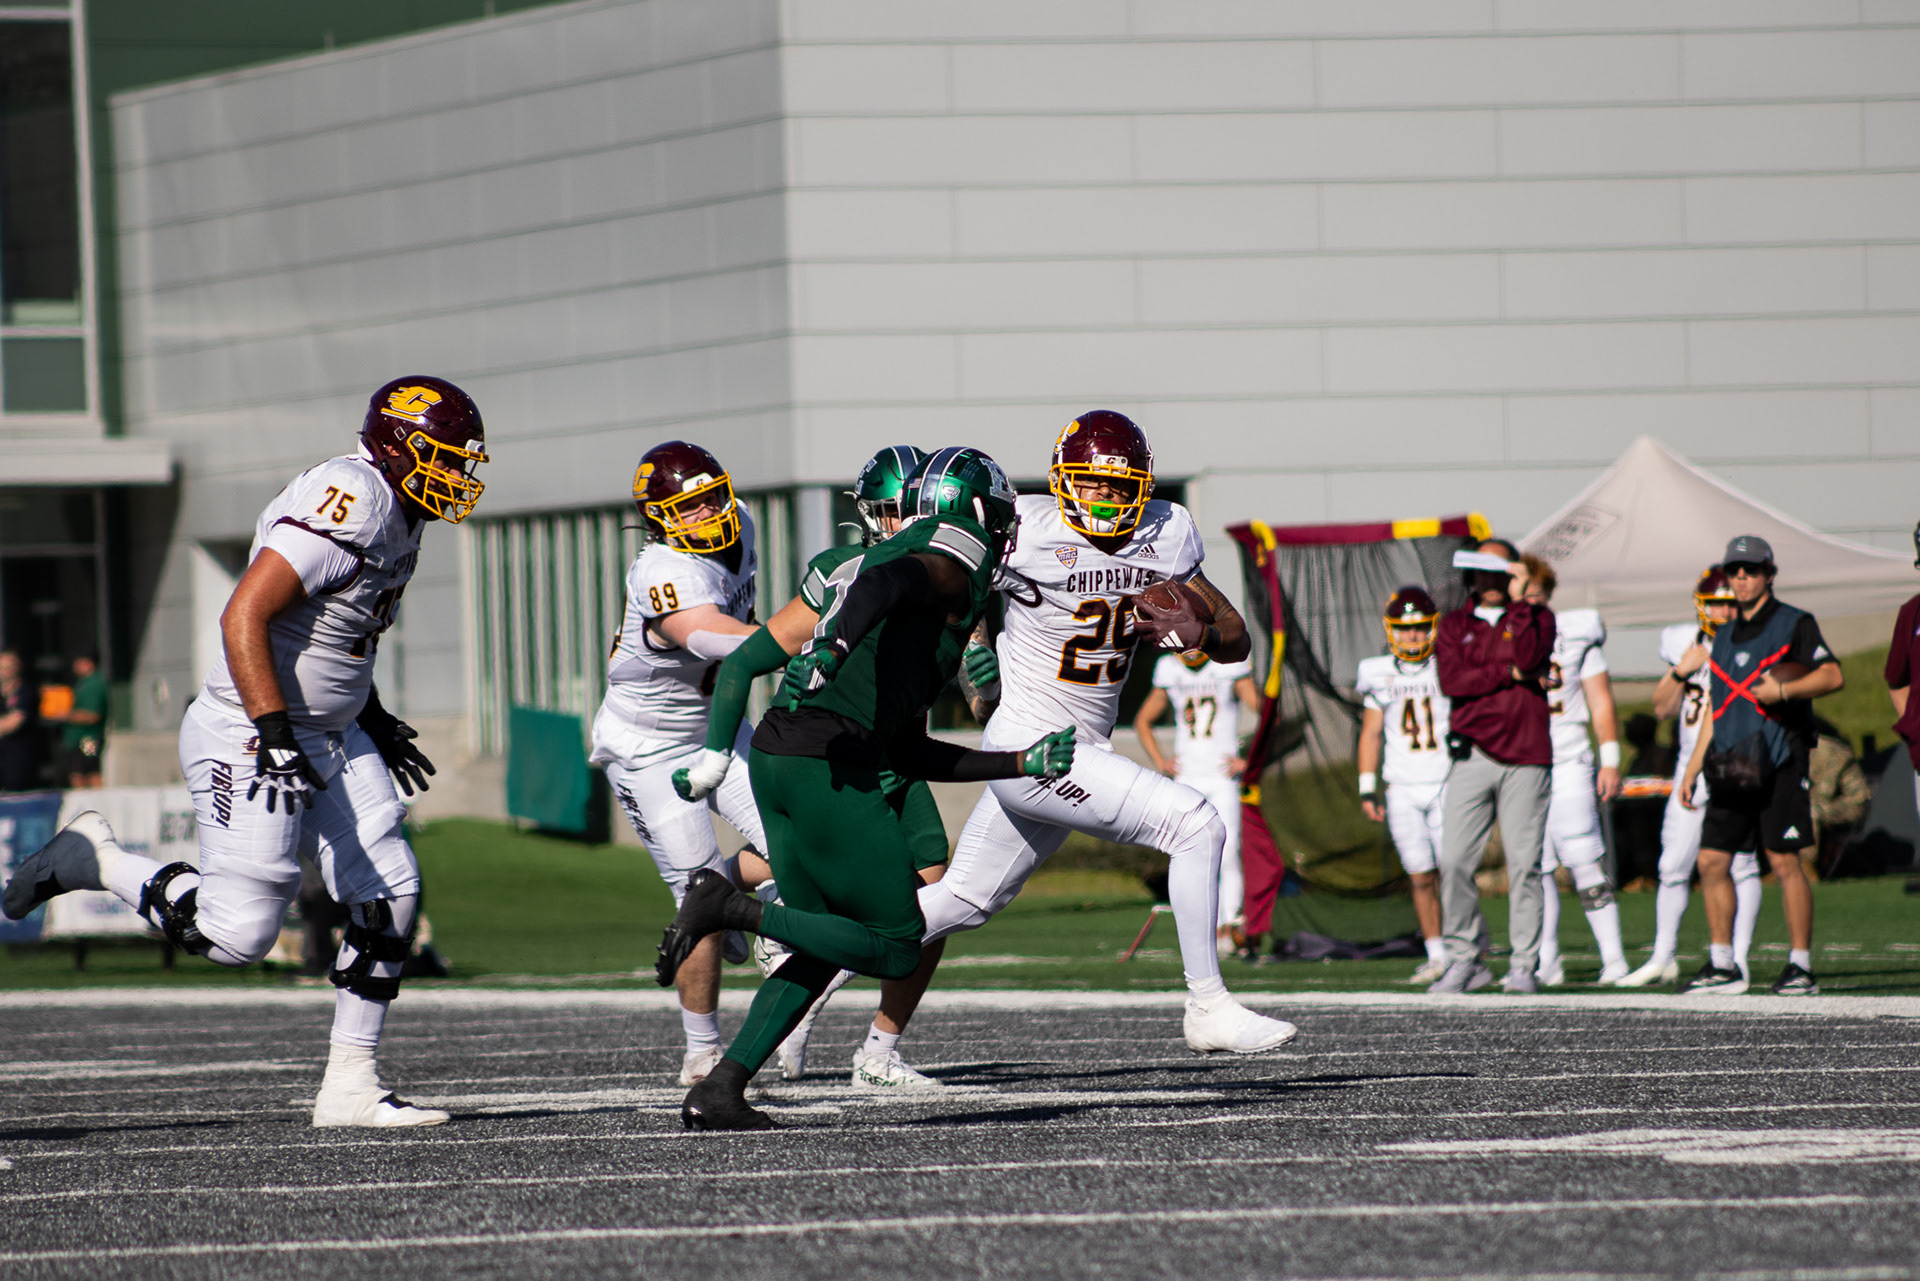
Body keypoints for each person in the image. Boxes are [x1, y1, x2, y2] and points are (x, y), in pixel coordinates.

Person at [3, 375, 483, 1126]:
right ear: (399, 445)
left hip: (327, 730)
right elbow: (245, 614)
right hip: (250, 729)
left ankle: (351, 1084)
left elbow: (334, 637)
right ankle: (97, 860)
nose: (455, 474)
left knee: (390, 886)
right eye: (445, 457)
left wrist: (372, 712)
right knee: (237, 935)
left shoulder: (401, 512)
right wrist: (277, 730)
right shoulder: (352, 498)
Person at [658, 446, 1075, 1130]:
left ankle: (722, 1088)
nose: (1005, 533)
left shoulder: (908, 597)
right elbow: (891, 579)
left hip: (783, 754)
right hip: (826, 761)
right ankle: (729, 907)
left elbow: (908, 749)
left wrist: (1018, 762)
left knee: (824, 943)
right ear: (977, 512)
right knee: (899, 942)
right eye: (1000, 519)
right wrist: (838, 642)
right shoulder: (955, 550)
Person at [900, 412, 1297, 1064]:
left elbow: (1237, 637)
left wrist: (1199, 633)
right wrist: (975, 661)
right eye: (1092, 483)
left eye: (1121, 486)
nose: (1107, 497)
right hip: (1033, 743)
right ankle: (1208, 1005)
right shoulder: (1024, 528)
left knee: (960, 901)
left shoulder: (1165, 533)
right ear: (1063, 480)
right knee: (1194, 825)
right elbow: (954, 591)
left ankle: (809, 963)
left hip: (1083, 747)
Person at [758, 444, 975, 1090]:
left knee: (935, 894)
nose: (899, 522)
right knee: (866, 904)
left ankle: (880, 1047)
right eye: (889, 510)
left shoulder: (950, 569)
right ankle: (774, 937)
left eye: (907, 508)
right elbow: (780, 645)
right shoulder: (843, 566)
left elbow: (975, 690)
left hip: (898, 751)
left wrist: (983, 680)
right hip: (841, 749)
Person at [586, 440, 776, 1088]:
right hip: (648, 747)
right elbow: (711, 635)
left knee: (801, 838)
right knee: (695, 894)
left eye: (712, 498)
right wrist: (813, 637)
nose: (707, 514)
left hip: (719, 725)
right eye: (688, 507)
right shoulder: (661, 570)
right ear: (658, 517)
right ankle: (701, 1051)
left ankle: (728, 894)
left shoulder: (743, 523)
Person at [1677, 534, 1843, 996]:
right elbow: (1717, 708)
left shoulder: (1795, 623)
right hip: (1730, 763)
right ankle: (1723, 964)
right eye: (1734, 570)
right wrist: (1692, 768)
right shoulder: (1724, 635)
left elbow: (1833, 675)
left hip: (1780, 758)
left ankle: (1800, 967)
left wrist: (1784, 691)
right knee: (1711, 860)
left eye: (1751, 569)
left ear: (1770, 574)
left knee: (1783, 860)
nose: (1742, 577)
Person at [1617, 567, 1760, 988]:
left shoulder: (1754, 641)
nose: (1722, 612)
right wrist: (1682, 670)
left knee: (1742, 865)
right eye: (1715, 604)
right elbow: (1661, 708)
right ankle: (1663, 957)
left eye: (1729, 603)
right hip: (1689, 766)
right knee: (1673, 864)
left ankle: (1739, 959)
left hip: (1739, 763)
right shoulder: (1684, 641)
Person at [1431, 540, 1556, 994]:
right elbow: (1452, 681)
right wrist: (1505, 675)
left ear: (1513, 572)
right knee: (1454, 861)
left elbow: (1527, 658)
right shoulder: (1453, 624)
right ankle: (1464, 959)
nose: (1488, 578)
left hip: (1527, 755)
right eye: (1479, 568)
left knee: (1524, 865)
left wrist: (1521, 604)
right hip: (1472, 754)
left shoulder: (1538, 617)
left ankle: (1523, 965)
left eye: (1498, 568)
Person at [1519, 557, 1629, 986]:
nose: (1530, 601)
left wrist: (1611, 759)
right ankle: (1547, 960)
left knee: (1584, 858)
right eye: (1523, 593)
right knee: (1536, 866)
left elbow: (1600, 700)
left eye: (1537, 594)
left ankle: (1614, 958)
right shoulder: (1503, 634)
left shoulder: (1576, 631)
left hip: (1567, 758)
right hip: (1523, 765)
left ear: (1548, 594)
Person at [1352, 586, 1451, 984]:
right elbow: (1371, 734)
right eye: (1405, 628)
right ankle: (1437, 954)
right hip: (1402, 787)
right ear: (1390, 629)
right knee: (1420, 874)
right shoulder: (1377, 672)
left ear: (1433, 627)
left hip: (1446, 781)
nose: (1412, 635)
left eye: (1420, 627)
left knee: (1455, 872)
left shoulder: (1449, 666)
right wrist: (1367, 787)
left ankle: (1464, 948)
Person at [1133, 649, 1257, 957]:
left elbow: (1269, 714)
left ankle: (1230, 924)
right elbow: (1142, 721)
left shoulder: (1228, 664)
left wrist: (1250, 759)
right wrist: (1161, 761)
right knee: (1192, 854)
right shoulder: (1168, 668)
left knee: (1228, 850)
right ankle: (1206, 928)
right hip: (1188, 777)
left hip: (1222, 775)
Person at [56, 652, 109, 789]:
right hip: (76, 739)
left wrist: (67, 715)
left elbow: (93, 715)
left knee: (88, 770)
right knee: (77, 769)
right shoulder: (81, 684)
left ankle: (94, 799)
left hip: (88, 738)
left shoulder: (94, 684)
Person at [0, 651, 41, 791]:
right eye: (1, 667)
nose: (4, 672)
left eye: (9, 667)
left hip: (18, 758)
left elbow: (13, 722)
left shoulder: (26, 692)